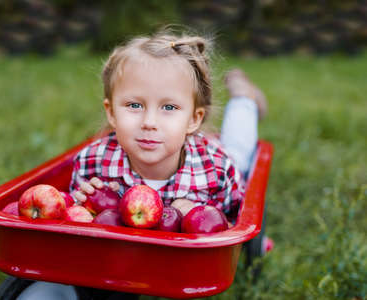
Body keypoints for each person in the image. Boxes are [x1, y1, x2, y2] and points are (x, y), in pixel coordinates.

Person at [17, 31, 269, 300]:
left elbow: (238, 217)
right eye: (134, 105)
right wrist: (81, 202)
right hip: (131, 258)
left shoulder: (215, 170)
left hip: (210, 156)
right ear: (112, 112)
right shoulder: (95, 162)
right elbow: (83, 223)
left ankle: (244, 99)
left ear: (194, 119)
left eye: (169, 107)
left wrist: (203, 213)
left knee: (240, 152)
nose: (149, 122)